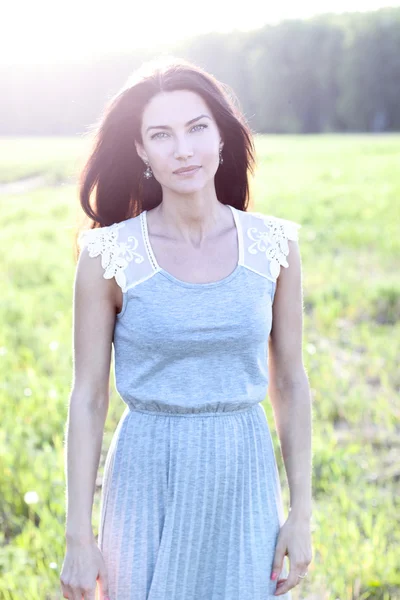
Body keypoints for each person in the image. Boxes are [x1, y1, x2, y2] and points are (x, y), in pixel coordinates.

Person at [60, 55, 313, 600]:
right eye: (162, 134)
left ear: (221, 137)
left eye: (197, 127)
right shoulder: (107, 256)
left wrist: (302, 513)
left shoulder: (275, 247)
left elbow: (290, 382)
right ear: (141, 150)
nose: (183, 149)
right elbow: (87, 398)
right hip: (146, 475)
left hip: (242, 474)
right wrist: (78, 537)